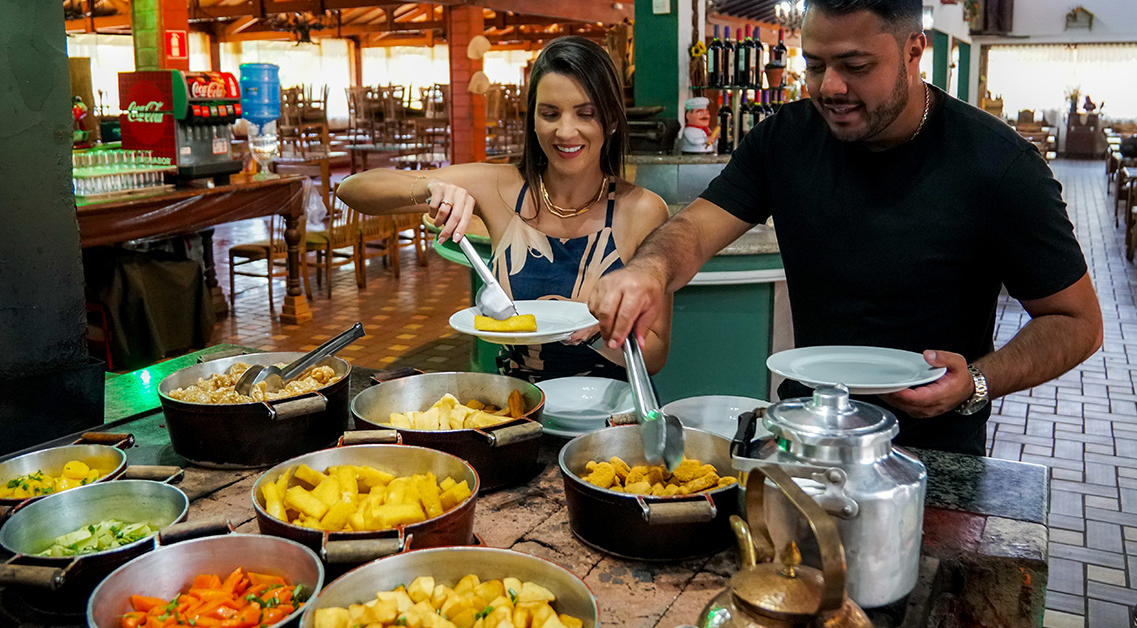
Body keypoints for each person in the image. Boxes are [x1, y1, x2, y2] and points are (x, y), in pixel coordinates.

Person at [588, 0, 1103, 455]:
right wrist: (650, 271)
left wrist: (979, 382)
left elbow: (1077, 321)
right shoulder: (784, 141)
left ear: (913, 51)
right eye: (814, 65)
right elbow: (697, 229)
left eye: (855, 66)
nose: (830, 87)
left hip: (933, 451)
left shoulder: (998, 165)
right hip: (805, 434)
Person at [336, 36, 671, 383]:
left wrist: (605, 330)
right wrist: (429, 186)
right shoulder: (500, 188)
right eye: (549, 114)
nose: (565, 131)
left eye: (586, 114)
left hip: (607, 420)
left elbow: (657, 354)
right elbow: (353, 189)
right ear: (533, 118)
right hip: (517, 409)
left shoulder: (643, 210)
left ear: (613, 120)